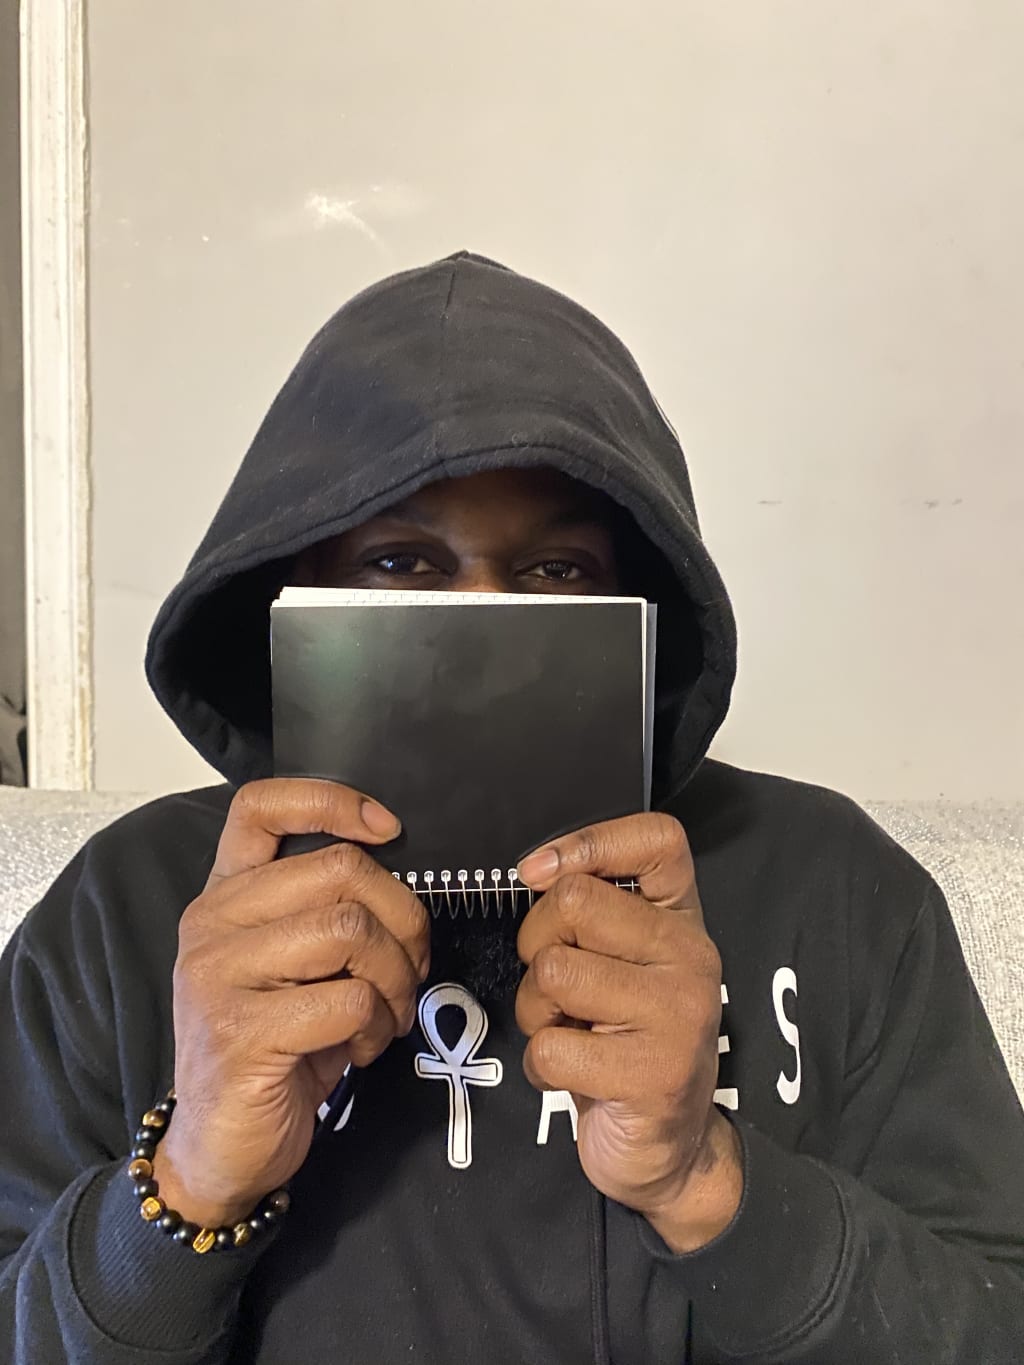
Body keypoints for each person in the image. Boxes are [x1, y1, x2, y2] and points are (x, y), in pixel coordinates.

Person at [1, 252, 1022, 1365]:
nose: (479, 629)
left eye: (555, 570)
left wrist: (705, 1181)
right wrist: (189, 1183)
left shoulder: (835, 889)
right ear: (294, 596)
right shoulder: (132, 908)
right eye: (399, 561)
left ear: (642, 598)